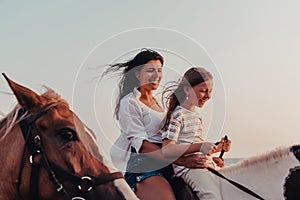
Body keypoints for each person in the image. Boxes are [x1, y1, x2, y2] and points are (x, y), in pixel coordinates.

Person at [105, 49, 215, 200]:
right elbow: (142, 146)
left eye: (159, 70)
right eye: (150, 70)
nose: (157, 75)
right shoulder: (129, 102)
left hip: (169, 163)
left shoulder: (160, 104)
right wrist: (181, 160)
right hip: (144, 164)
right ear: (137, 74)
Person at [161, 67, 231, 200]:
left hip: (201, 164)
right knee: (211, 197)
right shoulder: (177, 115)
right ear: (187, 89)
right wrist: (200, 147)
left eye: (210, 91)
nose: (208, 96)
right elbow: (167, 149)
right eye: (203, 91)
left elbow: (195, 144)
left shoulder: (196, 116)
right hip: (187, 169)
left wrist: (218, 148)